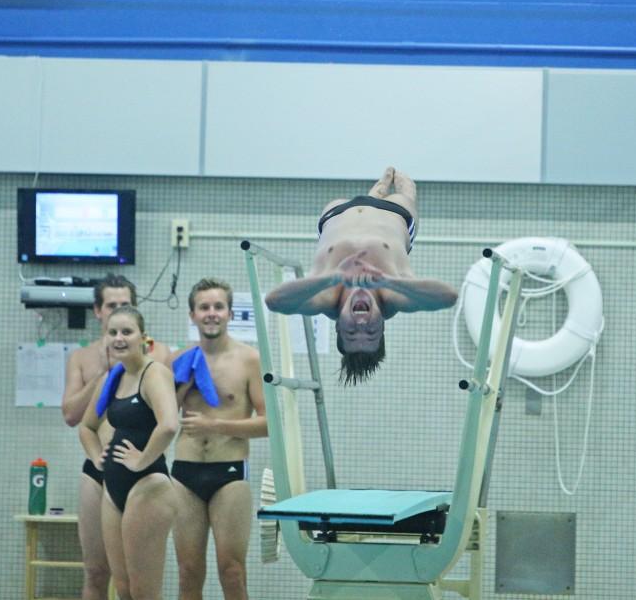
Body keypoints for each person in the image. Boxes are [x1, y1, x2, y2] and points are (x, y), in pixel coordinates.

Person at [265, 166, 457, 385]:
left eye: (352, 332)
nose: (361, 323)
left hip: (337, 213)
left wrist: (333, 277)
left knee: (359, 202)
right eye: (371, 331)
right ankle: (385, 189)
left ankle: (377, 191)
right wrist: (387, 280)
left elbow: (274, 301)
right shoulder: (391, 297)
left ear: (338, 326)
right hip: (394, 213)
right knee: (406, 189)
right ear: (382, 324)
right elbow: (448, 296)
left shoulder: (327, 299)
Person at [62, 274, 170, 600]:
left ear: (141, 333)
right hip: (107, 475)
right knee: (108, 578)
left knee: (142, 589)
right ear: (99, 313)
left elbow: (168, 422)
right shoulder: (97, 366)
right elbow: (76, 418)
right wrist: (97, 455)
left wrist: (142, 459)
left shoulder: (156, 363)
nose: (120, 336)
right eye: (114, 327)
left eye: (127, 329)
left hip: (144, 475)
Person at [168, 278, 266, 600]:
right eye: (204, 307)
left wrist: (216, 425)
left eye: (218, 307)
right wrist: (182, 386)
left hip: (229, 473)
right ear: (192, 315)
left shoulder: (249, 359)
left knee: (232, 571)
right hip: (185, 471)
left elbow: (271, 425)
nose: (211, 313)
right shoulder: (180, 360)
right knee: (188, 572)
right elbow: (162, 417)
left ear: (229, 313)